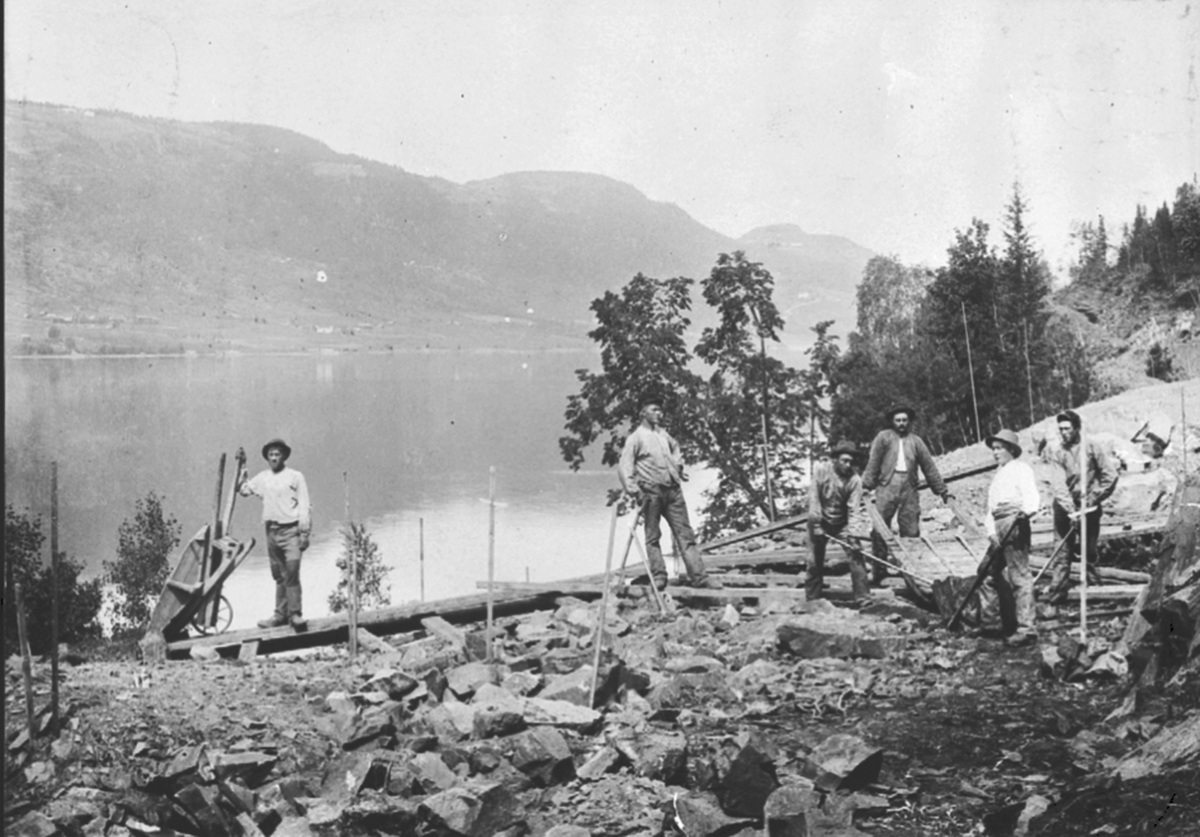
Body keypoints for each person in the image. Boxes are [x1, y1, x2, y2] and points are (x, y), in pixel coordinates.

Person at [619, 400, 719, 590]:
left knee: (685, 535)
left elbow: (675, 449)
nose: (659, 414)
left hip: (673, 492)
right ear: (643, 413)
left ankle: (699, 578)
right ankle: (659, 576)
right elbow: (625, 467)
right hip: (651, 493)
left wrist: (678, 467)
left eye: (660, 411)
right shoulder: (636, 438)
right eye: (654, 410)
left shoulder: (662, 434)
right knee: (653, 536)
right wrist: (635, 491)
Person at [861, 406, 951, 580]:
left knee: (911, 530)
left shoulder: (916, 441)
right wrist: (866, 485)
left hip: (909, 488)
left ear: (908, 422)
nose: (901, 423)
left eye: (904, 420)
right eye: (898, 420)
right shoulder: (883, 438)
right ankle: (879, 570)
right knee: (880, 528)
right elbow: (873, 463)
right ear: (892, 421)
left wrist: (942, 491)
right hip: (886, 486)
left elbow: (929, 467)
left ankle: (911, 572)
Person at [1045, 410, 1118, 605]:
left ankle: (1094, 592)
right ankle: (1057, 595)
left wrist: (1095, 497)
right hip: (1064, 507)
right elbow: (1058, 484)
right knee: (1062, 552)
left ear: (1077, 428)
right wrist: (1070, 510)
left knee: (1089, 550)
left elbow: (1110, 475)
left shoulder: (1092, 446)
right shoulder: (1056, 451)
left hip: (1089, 507)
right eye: (1060, 429)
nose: (1063, 432)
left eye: (1067, 428)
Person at [976, 429, 1041, 645]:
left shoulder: (1021, 469)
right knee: (985, 572)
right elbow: (991, 509)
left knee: (1019, 575)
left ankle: (1027, 628)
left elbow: (1031, 497)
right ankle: (992, 624)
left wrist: (1026, 513)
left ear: (1011, 450)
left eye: (999, 448)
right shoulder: (998, 475)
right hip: (999, 524)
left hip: (1015, 523)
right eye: (993, 449)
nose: (995, 453)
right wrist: (991, 531)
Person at [240, 438, 312, 630]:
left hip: (291, 531)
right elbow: (245, 490)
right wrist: (242, 473)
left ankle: (295, 614)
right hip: (271, 532)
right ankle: (280, 615)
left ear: (284, 456)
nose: (274, 458)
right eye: (271, 455)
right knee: (279, 575)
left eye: (277, 454)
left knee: (292, 572)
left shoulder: (295, 477)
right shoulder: (263, 478)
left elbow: (304, 505)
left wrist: (304, 532)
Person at [807, 441, 872, 604]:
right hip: (820, 521)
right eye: (844, 461)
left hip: (841, 523)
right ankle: (813, 599)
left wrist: (854, 534)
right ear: (835, 459)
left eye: (851, 461)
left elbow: (854, 509)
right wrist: (816, 524)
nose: (848, 465)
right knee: (814, 561)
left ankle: (863, 597)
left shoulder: (855, 480)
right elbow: (814, 498)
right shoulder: (822, 471)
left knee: (856, 555)